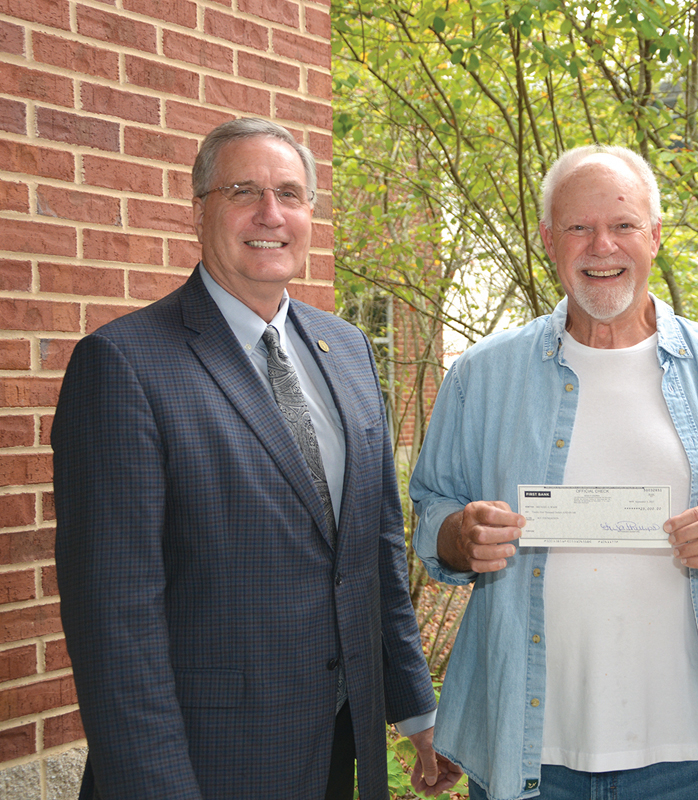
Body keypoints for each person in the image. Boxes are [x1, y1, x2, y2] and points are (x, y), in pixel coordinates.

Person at [53, 118, 461, 800]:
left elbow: (374, 551)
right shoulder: (125, 365)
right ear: (200, 210)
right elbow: (114, 625)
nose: (271, 214)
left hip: (340, 742)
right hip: (207, 763)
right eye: (244, 190)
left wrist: (415, 709)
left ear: (309, 215)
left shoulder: (349, 350)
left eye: (291, 194)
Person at [408, 145, 698, 800]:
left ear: (654, 235)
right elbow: (431, 512)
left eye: (623, 225)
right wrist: (459, 534)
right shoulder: (482, 376)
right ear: (547, 240)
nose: (603, 246)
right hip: (526, 752)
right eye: (579, 227)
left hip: (688, 757)